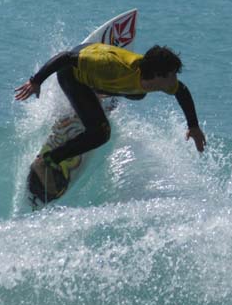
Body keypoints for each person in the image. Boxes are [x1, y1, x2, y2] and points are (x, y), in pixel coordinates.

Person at [14, 43, 206, 201]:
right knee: (101, 133)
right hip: (72, 74)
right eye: (172, 74)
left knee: (138, 95)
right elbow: (65, 57)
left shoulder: (153, 81)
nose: (175, 80)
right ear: (157, 74)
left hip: (101, 75)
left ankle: (97, 96)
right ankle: (48, 160)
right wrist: (36, 81)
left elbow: (182, 92)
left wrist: (193, 127)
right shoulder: (113, 66)